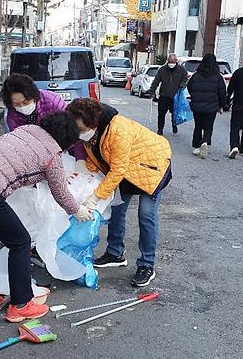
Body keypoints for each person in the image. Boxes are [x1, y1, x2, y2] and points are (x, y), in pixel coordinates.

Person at [0, 112, 94, 323]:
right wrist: (77, 210)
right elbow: (61, 193)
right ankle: (21, 304)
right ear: (67, 141)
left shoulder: (26, 131)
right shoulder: (52, 154)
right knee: (21, 241)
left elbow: (24, 164)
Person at [66, 98, 172, 287]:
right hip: (127, 173)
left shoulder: (117, 129)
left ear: (93, 123)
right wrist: (81, 176)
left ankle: (147, 264)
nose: (79, 133)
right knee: (117, 209)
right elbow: (96, 160)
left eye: (81, 129)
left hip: (152, 168)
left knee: (146, 214)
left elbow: (117, 170)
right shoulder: (90, 136)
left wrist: (96, 196)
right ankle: (115, 253)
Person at [1, 73, 87, 159]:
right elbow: (19, 144)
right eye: (17, 104)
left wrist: (80, 158)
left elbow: (72, 133)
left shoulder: (53, 102)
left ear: (34, 96)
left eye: (26, 102)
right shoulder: (12, 115)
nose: (22, 107)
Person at [186, 53, 227, 159]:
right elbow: (222, 92)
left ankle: (196, 146)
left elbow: (189, 87)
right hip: (212, 106)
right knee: (209, 126)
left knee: (198, 126)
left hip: (197, 106)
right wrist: (222, 105)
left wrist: (195, 96)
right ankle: (205, 141)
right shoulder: (218, 77)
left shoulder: (196, 75)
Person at [148, 53, 188, 135]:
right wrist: (152, 91)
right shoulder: (162, 70)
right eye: (170, 62)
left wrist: (182, 85)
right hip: (164, 95)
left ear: (176, 61)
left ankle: (174, 124)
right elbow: (156, 81)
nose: (171, 64)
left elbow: (185, 79)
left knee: (174, 113)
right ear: (167, 61)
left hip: (175, 96)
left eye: (173, 62)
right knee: (161, 114)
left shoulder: (181, 70)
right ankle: (160, 129)